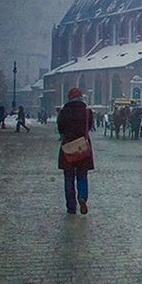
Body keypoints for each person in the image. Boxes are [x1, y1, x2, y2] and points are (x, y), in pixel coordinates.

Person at [58, 87, 95, 215]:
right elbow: (89, 126)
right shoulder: (87, 112)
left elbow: (60, 128)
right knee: (82, 175)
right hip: (82, 147)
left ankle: (71, 206)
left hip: (68, 148)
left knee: (68, 177)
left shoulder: (64, 112)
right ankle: (82, 197)